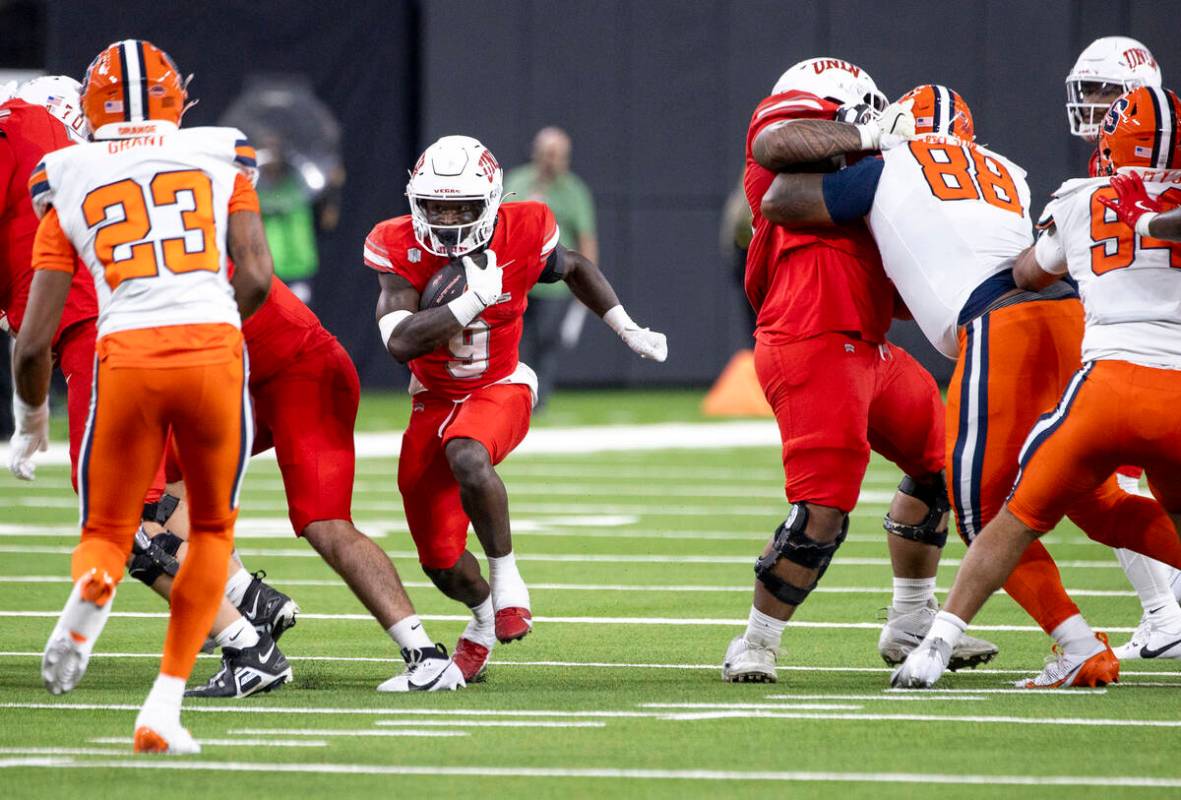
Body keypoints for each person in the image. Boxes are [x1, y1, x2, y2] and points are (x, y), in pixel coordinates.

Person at [758, 83, 1181, 687]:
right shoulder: (1007, 169)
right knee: (1097, 501)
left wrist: (854, 148)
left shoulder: (890, 165)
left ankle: (1076, 644)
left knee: (984, 513)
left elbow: (779, 200)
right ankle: (1082, 641)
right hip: (1068, 318)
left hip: (1000, 325)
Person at [16, 39, 274, 753]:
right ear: (174, 98)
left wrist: (33, 419)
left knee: (106, 533)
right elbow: (254, 276)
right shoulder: (220, 153)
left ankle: (93, 590)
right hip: (212, 349)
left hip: (125, 354)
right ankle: (163, 705)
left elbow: (33, 341)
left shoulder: (66, 173)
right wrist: (212, 321)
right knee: (212, 535)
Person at [892, 85, 1181, 689]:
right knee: (1137, 513)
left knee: (1008, 513)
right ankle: (1160, 616)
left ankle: (935, 646)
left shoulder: (1080, 199)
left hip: (1105, 388)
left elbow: (1026, 272)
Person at [721, 59, 996, 684]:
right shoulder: (788, 144)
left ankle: (910, 620)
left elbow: (903, 293)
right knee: (823, 509)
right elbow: (776, 143)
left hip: (868, 347)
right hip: (810, 337)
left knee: (943, 464)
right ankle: (756, 641)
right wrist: (875, 136)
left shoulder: (877, 178)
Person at [364, 135, 666, 682]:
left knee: (467, 453)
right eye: (435, 204)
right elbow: (401, 342)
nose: (448, 216)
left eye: (461, 205)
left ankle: (508, 582)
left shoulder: (523, 227)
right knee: (441, 563)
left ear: (492, 201)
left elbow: (573, 266)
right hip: (432, 400)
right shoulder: (397, 243)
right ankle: (482, 619)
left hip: (501, 384)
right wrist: (469, 301)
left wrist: (626, 327)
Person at [141, 274, 465, 695]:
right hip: (243, 381)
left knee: (323, 522)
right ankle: (247, 598)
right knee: (159, 473)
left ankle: (426, 657)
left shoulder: (187, 247)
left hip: (302, 371)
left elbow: (254, 278)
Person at [1065, 36, 1181, 661]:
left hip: (1155, 352)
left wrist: (1147, 223)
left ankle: (1165, 612)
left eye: (1105, 92)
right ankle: (1165, 608)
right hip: (1154, 349)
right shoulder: (1104, 169)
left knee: (1107, 472)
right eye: (1086, 92)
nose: (1091, 106)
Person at [503, 127, 598, 407]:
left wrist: (586, 286)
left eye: (557, 155)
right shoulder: (517, 180)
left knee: (545, 340)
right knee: (513, 339)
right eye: (547, 153)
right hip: (515, 277)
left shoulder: (574, 191)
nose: (550, 160)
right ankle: (512, 394)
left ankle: (538, 399)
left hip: (554, 283)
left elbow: (586, 240)